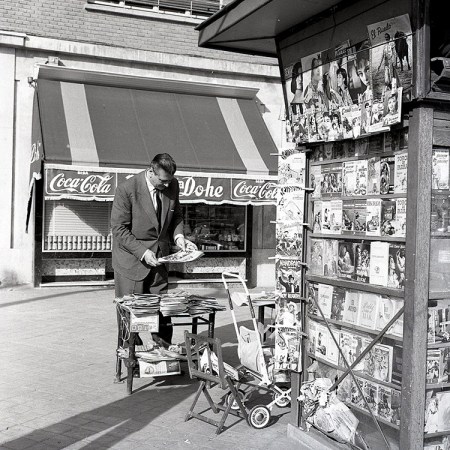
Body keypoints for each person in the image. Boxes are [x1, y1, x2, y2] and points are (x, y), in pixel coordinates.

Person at [111, 153, 197, 347]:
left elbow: (176, 215)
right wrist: (142, 252)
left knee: (161, 309)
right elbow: (119, 229)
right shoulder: (126, 189)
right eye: (163, 181)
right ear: (151, 172)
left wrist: (179, 237)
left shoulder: (172, 185)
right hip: (131, 262)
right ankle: (132, 356)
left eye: (169, 181)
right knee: (134, 313)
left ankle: (165, 353)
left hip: (160, 259)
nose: (167, 186)